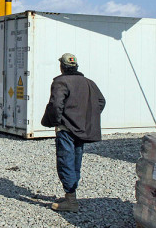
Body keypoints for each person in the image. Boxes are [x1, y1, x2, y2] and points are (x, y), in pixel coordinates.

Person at [41, 53, 106, 212]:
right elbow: (101, 102)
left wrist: (57, 121)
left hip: (66, 130)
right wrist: (86, 117)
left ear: (62, 67)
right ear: (76, 66)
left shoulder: (60, 82)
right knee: (75, 161)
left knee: (65, 161)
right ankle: (71, 195)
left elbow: (56, 105)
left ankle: (71, 202)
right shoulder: (89, 83)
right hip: (81, 129)